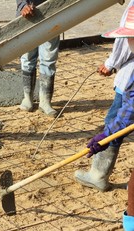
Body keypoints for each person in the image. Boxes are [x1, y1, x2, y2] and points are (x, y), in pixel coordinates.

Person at [74, 0, 134, 192]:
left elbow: (128, 112)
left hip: (127, 76)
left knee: (115, 119)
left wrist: (106, 135)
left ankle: (97, 175)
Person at [16, 0, 60, 117]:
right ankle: (27, 98)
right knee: (27, 57)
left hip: (52, 14)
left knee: (48, 59)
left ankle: (45, 102)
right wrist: (23, 5)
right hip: (28, 16)